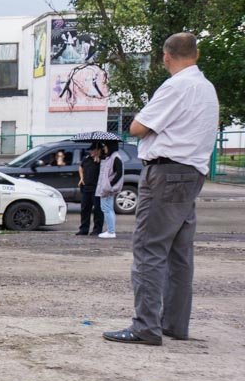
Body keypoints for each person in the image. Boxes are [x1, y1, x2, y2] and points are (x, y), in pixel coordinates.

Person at [104, 32, 219, 345]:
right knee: (180, 253)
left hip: (166, 172)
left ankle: (145, 327)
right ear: (195, 54)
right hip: (192, 173)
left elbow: (137, 127)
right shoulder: (207, 88)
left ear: (167, 56)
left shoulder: (176, 86)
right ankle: (174, 325)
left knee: (148, 249)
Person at [95, 140, 127, 239]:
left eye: (105, 146)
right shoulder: (111, 157)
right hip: (107, 187)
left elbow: (119, 173)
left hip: (108, 188)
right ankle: (110, 230)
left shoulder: (115, 157)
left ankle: (111, 231)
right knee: (107, 208)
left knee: (107, 209)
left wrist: (109, 184)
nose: (104, 148)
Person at [76, 143, 104, 236]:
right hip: (86, 188)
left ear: (99, 150)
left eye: (93, 150)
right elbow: (80, 166)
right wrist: (81, 177)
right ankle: (84, 229)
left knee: (97, 210)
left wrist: (99, 161)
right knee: (84, 209)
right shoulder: (87, 159)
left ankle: (97, 230)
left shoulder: (103, 160)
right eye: (91, 150)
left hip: (97, 188)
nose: (91, 152)